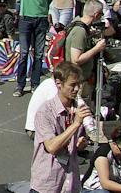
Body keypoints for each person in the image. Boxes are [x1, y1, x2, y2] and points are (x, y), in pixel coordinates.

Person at [9, 0, 70, 93]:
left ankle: (35, 83)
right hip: (25, 18)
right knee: (23, 53)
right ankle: (20, 85)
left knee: (39, 54)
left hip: (41, 17)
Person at [29, 61, 91, 193]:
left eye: (78, 84)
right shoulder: (45, 111)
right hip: (48, 183)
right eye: (72, 85)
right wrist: (76, 124)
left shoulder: (78, 108)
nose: (76, 89)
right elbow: (51, 147)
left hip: (70, 181)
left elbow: (75, 142)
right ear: (59, 84)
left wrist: (80, 144)